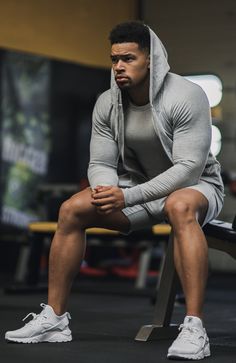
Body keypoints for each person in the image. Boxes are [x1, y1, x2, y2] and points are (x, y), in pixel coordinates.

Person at [5, 21, 224, 360]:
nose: (120, 66)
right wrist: (106, 190)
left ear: (151, 60)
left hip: (196, 188)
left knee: (179, 206)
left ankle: (194, 327)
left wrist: (127, 197)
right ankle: (55, 319)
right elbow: (101, 161)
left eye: (129, 58)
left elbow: (187, 169)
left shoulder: (186, 96)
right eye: (114, 59)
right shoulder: (108, 102)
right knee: (71, 209)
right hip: (138, 188)